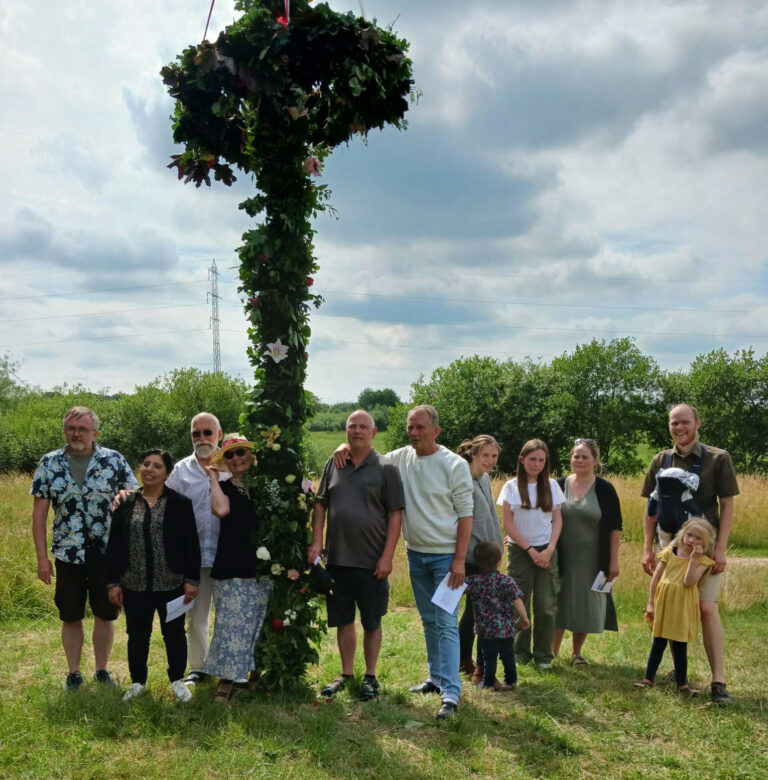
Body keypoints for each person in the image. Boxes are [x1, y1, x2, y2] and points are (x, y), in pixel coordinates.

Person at [333, 404, 473, 719]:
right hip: (416, 553)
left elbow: (466, 515)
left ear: (436, 431)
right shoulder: (400, 458)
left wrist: (460, 561)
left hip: (447, 557)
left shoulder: (454, 465)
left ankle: (451, 692)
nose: (413, 433)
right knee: (428, 620)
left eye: (420, 427)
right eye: (410, 427)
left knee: (446, 623)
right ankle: (435, 679)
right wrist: (343, 446)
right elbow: (366, 449)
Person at [31, 406, 139, 690]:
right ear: (65, 430)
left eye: (83, 429)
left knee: (105, 613)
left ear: (95, 433)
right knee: (71, 614)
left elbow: (136, 498)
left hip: (106, 553)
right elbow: (39, 515)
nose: (76, 434)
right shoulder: (49, 463)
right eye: (71, 428)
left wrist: (126, 497)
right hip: (68, 553)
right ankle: (74, 673)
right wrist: (42, 559)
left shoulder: (113, 460)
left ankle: (102, 671)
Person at [641, 403, 739, 704]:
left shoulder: (718, 459)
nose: (679, 428)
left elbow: (728, 506)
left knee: (707, 608)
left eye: (684, 422)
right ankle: (679, 673)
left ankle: (718, 681)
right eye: (674, 423)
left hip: (704, 549)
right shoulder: (661, 459)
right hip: (670, 545)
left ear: (697, 423)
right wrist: (647, 547)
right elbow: (650, 509)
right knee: (670, 602)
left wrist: (720, 549)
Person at [309, 410, 404, 701]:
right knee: (343, 619)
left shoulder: (387, 468)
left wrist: (388, 556)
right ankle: (346, 673)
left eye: (364, 427)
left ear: (373, 433)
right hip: (337, 559)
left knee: (372, 621)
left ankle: (371, 677)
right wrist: (317, 542)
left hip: (372, 561)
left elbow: (396, 514)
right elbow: (321, 504)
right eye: (352, 426)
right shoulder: (334, 463)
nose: (357, 431)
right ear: (346, 431)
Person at [105, 450, 200, 702]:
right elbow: (114, 545)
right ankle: (137, 683)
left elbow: (191, 544)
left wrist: (192, 580)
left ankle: (178, 682)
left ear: (167, 473)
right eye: (146, 464)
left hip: (171, 584)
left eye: (156, 466)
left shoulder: (180, 503)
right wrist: (113, 582)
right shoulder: (125, 503)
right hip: (134, 584)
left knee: (174, 634)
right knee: (137, 635)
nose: (149, 469)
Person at [205, 435, 273, 703]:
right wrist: (212, 479)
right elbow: (221, 510)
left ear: (251, 454)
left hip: (261, 564)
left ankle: (253, 673)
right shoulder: (223, 487)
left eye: (241, 452)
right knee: (230, 623)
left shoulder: (265, 487)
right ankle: (227, 678)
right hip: (231, 563)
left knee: (258, 620)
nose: (236, 459)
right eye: (230, 455)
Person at [165, 412, 227, 684]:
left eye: (207, 433)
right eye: (196, 433)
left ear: (219, 435)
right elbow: (164, 505)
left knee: (228, 615)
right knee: (196, 616)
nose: (202, 438)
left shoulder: (233, 464)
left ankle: (226, 668)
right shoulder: (180, 470)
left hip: (228, 555)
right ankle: (198, 668)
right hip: (194, 557)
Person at [553, 438, 622, 664]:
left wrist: (613, 561)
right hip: (560, 557)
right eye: (575, 456)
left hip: (593, 559)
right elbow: (542, 517)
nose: (579, 460)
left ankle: (576, 653)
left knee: (585, 602)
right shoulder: (558, 484)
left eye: (584, 456)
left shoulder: (605, 489)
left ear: (595, 461)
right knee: (558, 601)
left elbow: (614, 528)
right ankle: (551, 652)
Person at [498, 439, 565, 669]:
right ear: (522, 459)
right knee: (519, 602)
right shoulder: (511, 486)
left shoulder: (553, 486)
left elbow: (557, 520)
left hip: (547, 550)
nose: (536, 464)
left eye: (541, 460)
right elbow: (508, 524)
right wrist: (529, 550)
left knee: (546, 605)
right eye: (532, 459)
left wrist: (549, 550)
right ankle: (520, 653)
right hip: (519, 551)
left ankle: (544, 655)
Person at [634, 518, 716, 697]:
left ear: (706, 543)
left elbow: (688, 582)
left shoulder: (702, 561)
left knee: (680, 645)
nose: (692, 540)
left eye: (698, 539)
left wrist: (693, 560)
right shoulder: (669, 553)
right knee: (658, 642)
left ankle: (682, 685)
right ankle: (648, 679)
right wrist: (650, 603)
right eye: (689, 535)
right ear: (682, 534)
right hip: (664, 603)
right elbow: (655, 578)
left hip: (682, 606)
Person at [455, 435, 504, 684]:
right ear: (472, 453)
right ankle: (472, 665)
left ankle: (466, 661)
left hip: (486, 557)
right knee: (477, 613)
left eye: (494, 456)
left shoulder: (483, 478)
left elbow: (488, 517)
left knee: (475, 612)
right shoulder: (461, 476)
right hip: (469, 557)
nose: (490, 461)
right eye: (485, 455)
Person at [465, 541, 530, 691]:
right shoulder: (506, 581)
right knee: (508, 656)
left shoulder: (474, 582)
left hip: (485, 630)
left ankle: (488, 683)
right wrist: (524, 618)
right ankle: (511, 681)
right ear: (499, 561)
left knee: (489, 658)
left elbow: (456, 587)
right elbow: (517, 600)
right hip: (506, 628)